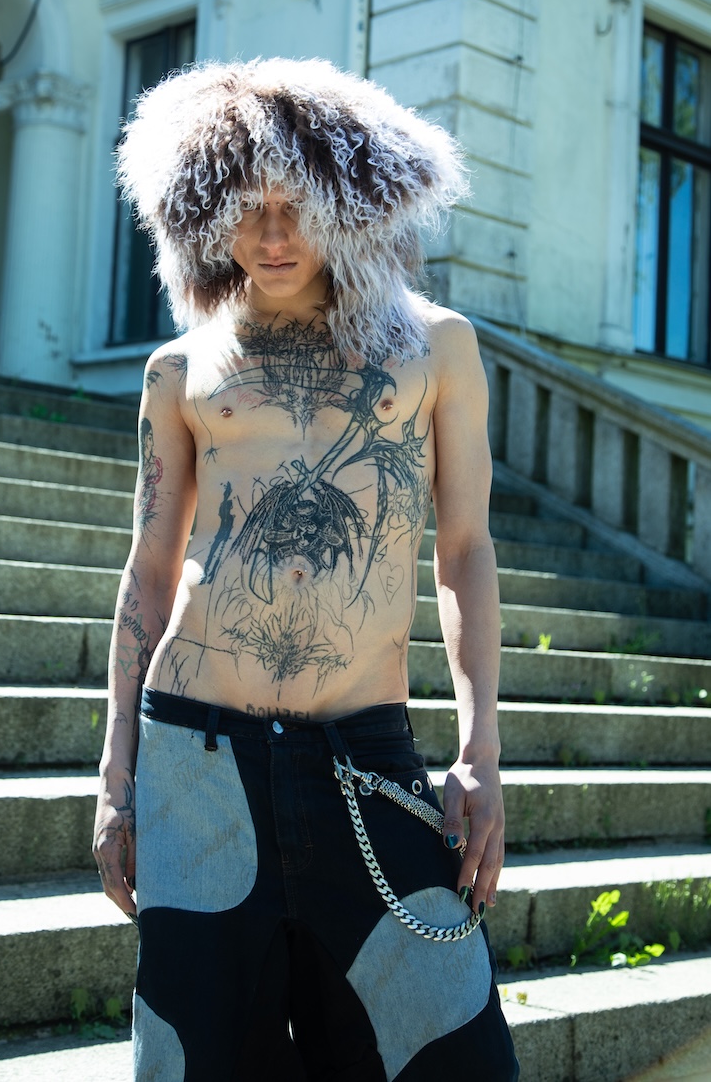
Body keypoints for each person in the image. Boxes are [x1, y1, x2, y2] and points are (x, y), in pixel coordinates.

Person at [93, 57, 519, 1081]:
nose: (273, 235)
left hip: (363, 757)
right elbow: (149, 569)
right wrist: (116, 776)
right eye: (246, 208)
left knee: (451, 1058)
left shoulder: (437, 347)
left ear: (347, 201)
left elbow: (464, 550)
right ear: (205, 211)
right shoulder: (179, 367)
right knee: (202, 1063)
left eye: (297, 206)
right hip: (197, 764)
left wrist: (480, 751)